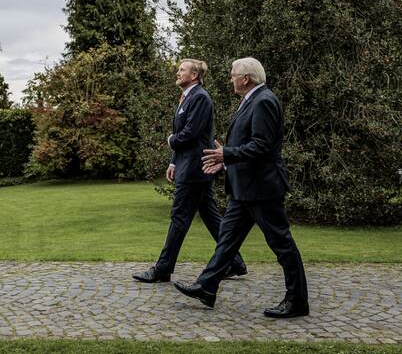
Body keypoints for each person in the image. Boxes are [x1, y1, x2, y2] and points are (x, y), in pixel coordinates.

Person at [173, 57, 309, 318]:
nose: (230, 78)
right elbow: (247, 147)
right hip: (244, 189)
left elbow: (262, 146)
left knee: (282, 244)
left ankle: (297, 300)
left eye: (233, 74)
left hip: (262, 189)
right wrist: (224, 162)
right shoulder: (252, 101)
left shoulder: (264, 101)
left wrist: (226, 155)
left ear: (245, 78)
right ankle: (207, 286)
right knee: (226, 241)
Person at [132, 59, 247, 284]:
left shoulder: (200, 98)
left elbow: (189, 133)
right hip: (189, 166)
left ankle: (163, 269)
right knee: (212, 217)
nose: (177, 72)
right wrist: (174, 162)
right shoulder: (187, 97)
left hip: (195, 168)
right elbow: (182, 133)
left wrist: (170, 141)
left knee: (179, 218)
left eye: (182, 69)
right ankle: (234, 262)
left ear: (194, 76)